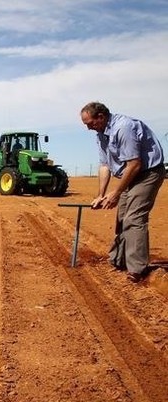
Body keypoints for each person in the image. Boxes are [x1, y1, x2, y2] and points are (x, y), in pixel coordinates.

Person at [80, 101, 165, 283]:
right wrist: (101, 195)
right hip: (130, 174)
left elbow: (134, 164)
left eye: (90, 124)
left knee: (134, 218)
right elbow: (105, 165)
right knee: (122, 216)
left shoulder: (123, 127)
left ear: (100, 117)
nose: (88, 128)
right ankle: (119, 260)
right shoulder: (101, 134)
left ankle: (137, 269)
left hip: (147, 173)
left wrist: (116, 193)